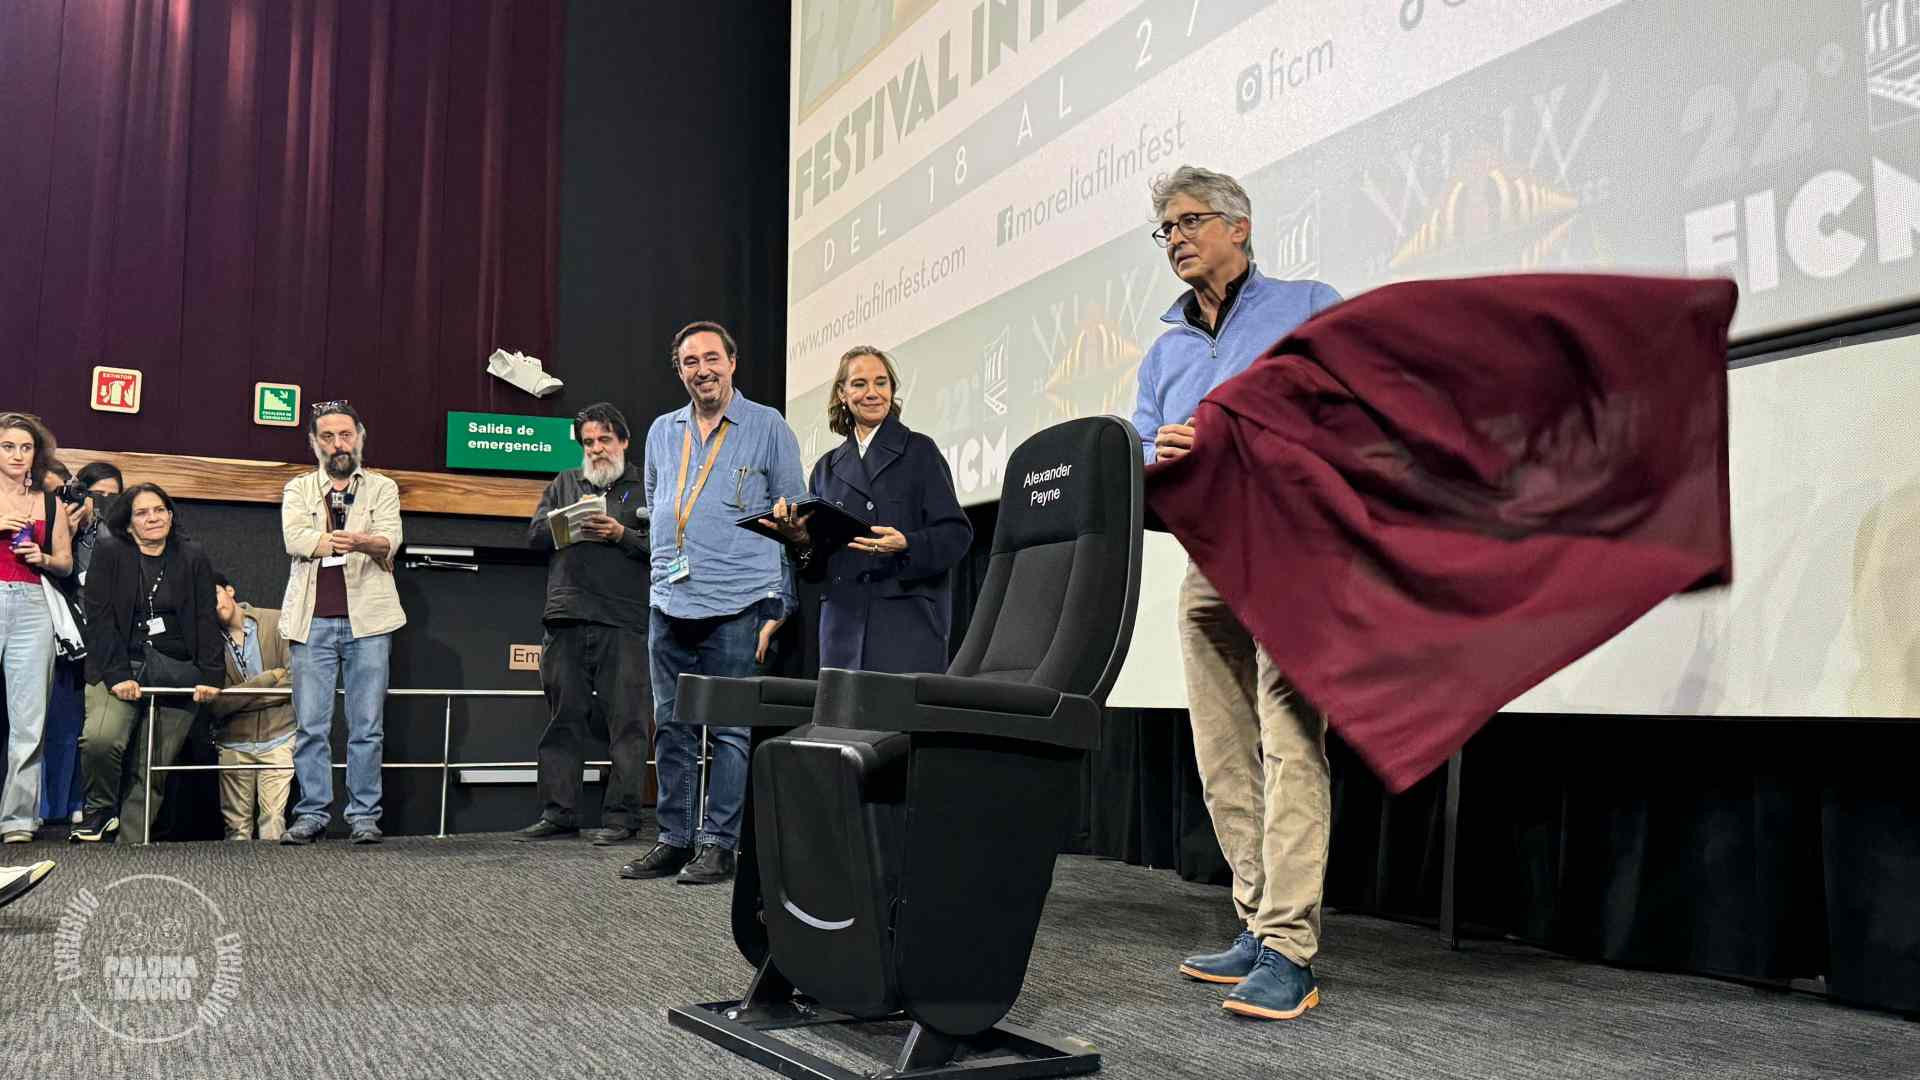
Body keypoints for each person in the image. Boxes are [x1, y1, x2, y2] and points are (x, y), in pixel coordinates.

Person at [1131, 166, 1342, 1021]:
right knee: (1223, 752)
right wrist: (1161, 453)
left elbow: (1350, 408)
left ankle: (1292, 946)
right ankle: (1255, 924)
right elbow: (1138, 449)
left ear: (1238, 227)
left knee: (1291, 742)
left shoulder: (1307, 303)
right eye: (1165, 229)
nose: (1175, 238)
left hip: (1294, 550)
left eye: (1188, 222)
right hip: (1207, 560)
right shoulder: (1164, 348)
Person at [621, 321, 804, 886]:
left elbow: (794, 519)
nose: (702, 369)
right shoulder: (659, 431)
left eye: (712, 358)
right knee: (671, 727)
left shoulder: (767, 425)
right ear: (679, 371)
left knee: (728, 730)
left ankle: (719, 845)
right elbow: (659, 505)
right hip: (669, 600)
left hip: (740, 600)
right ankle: (674, 839)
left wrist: (781, 600)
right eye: (690, 361)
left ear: (732, 362)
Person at [762, 345, 972, 673]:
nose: (872, 393)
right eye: (860, 384)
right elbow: (816, 568)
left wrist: (907, 544)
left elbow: (956, 535)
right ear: (842, 394)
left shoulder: (919, 451)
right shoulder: (826, 469)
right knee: (844, 724)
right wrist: (800, 539)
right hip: (842, 625)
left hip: (905, 623)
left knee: (898, 723)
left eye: (881, 383)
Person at [514, 403, 654, 846]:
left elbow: (666, 548)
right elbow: (533, 536)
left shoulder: (647, 485)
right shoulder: (564, 483)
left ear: (624, 442)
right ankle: (559, 813)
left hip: (625, 619)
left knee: (629, 723)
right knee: (562, 719)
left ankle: (622, 817)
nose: (596, 449)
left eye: (604, 440)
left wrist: (621, 535)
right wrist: (565, 526)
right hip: (567, 615)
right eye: (588, 442)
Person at [278, 401, 405, 846]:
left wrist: (369, 543)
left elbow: (391, 539)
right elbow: (294, 538)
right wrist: (354, 542)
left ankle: (364, 816)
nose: (338, 444)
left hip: (369, 622)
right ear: (315, 442)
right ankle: (312, 813)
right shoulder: (297, 488)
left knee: (367, 726)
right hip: (311, 623)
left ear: (360, 437)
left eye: (346, 435)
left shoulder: (382, 488)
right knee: (311, 726)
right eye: (328, 436)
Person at [74, 482, 222, 844]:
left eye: (160, 510)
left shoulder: (192, 556)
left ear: (171, 515)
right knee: (101, 739)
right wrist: (118, 675)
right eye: (142, 512)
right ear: (128, 523)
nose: (153, 518)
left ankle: (129, 845)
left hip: (175, 667)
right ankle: (101, 809)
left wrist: (212, 675)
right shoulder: (110, 554)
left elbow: (206, 617)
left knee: (149, 768)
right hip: (118, 663)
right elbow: (100, 619)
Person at [1, 413, 74, 844]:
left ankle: (17, 820)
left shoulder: (50, 502)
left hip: (33, 605)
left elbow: (65, 562)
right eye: (9, 446)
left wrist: (42, 558)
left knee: (29, 720)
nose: (17, 455)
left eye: (25, 447)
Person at [207, 573, 295, 841]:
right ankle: (237, 884)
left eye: (214, 596)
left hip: (279, 737)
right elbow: (216, 704)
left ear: (230, 591)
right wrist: (267, 679)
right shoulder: (207, 642)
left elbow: (295, 683)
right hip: (233, 742)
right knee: (237, 831)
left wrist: (239, 699)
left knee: (273, 825)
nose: (212, 605)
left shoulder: (276, 620)